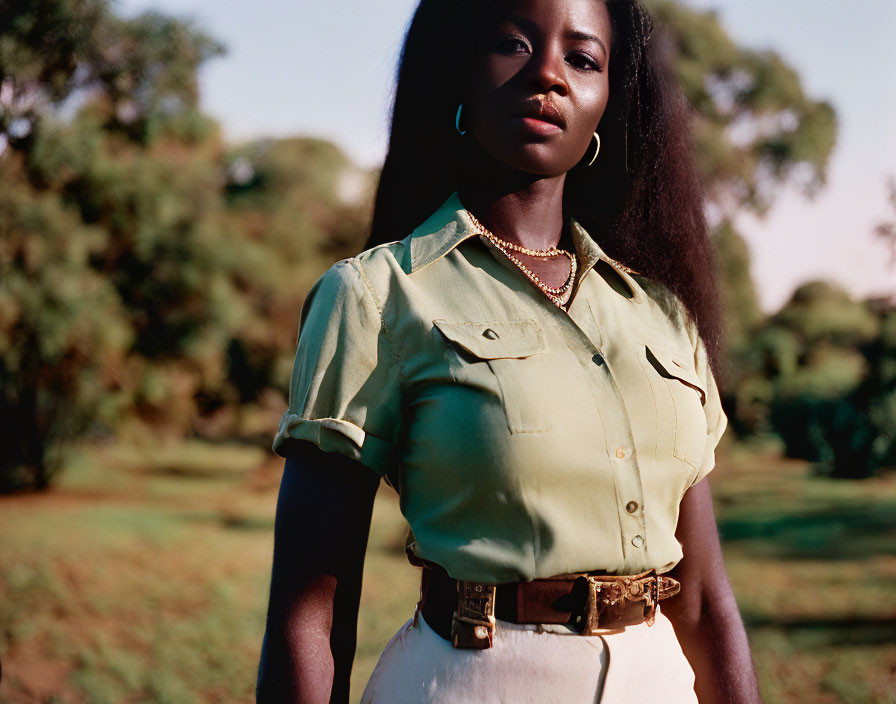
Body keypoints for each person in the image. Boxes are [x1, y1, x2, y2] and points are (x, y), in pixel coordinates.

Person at [257, 0, 762, 702]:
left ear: (607, 101)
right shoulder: (376, 296)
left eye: (583, 59)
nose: (549, 75)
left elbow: (704, 603)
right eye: (512, 43)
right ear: (458, 72)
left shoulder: (662, 316)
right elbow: (310, 611)